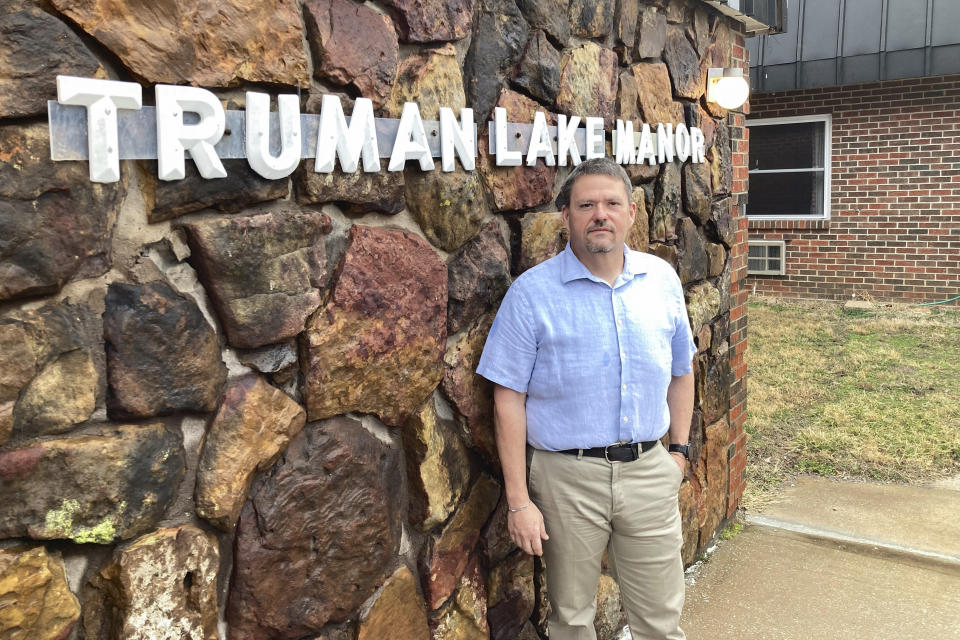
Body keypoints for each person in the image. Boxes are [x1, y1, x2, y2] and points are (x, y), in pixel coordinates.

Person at [476, 156, 696, 640]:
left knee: (661, 621)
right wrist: (518, 502)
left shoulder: (661, 282)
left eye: (612, 203)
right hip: (566, 480)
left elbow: (682, 368)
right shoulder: (531, 295)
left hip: (648, 472)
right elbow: (507, 398)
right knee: (571, 621)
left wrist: (678, 451)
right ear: (567, 216)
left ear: (632, 213)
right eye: (587, 204)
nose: (601, 214)